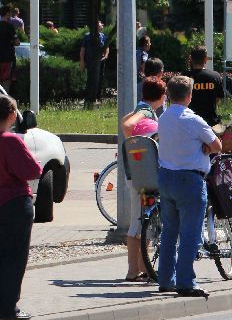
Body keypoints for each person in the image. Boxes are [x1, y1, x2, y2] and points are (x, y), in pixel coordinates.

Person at [156, 76, 222, 298]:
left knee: (169, 231)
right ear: (189, 96)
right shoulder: (193, 120)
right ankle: (186, 281)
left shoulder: (163, 118)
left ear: (169, 95)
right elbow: (217, 145)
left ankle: (165, 279)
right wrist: (204, 146)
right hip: (189, 181)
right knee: (190, 234)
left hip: (165, 178)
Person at [120, 77, 167, 282]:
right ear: (162, 96)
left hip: (136, 175)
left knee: (140, 220)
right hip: (145, 177)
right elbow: (128, 125)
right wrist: (138, 142)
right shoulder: (147, 111)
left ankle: (140, 269)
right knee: (140, 222)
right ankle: (135, 271)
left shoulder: (141, 107)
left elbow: (124, 121)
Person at [0, 95, 42, 320]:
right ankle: (8, 307)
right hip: (14, 203)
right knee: (14, 257)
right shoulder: (10, 141)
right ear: (10, 115)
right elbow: (33, 170)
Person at [184, 46, 224, 126]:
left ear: (191, 58)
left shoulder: (184, 77)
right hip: (210, 122)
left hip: (189, 122)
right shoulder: (215, 76)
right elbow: (218, 99)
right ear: (205, 59)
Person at [79, 20, 110, 100]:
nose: (100, 26)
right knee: (90, 78)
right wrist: (82, 61)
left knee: (100, 78)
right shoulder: (87, 36)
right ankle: (89, 97)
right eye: (99, 25)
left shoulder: (103, 36)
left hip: (101, 61)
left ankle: (98, 97)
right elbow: (83, 49)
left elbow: (107, 47)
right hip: (90, 61)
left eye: (100, 25)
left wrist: (106, 55)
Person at [0, 7, 17, 92]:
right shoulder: (9, 26)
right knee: (6, 81)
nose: (11, 14)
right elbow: (17, 42)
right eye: (10, 12)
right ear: (7, 13)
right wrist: (11, 41)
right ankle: (5, 102)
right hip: (8, 58)